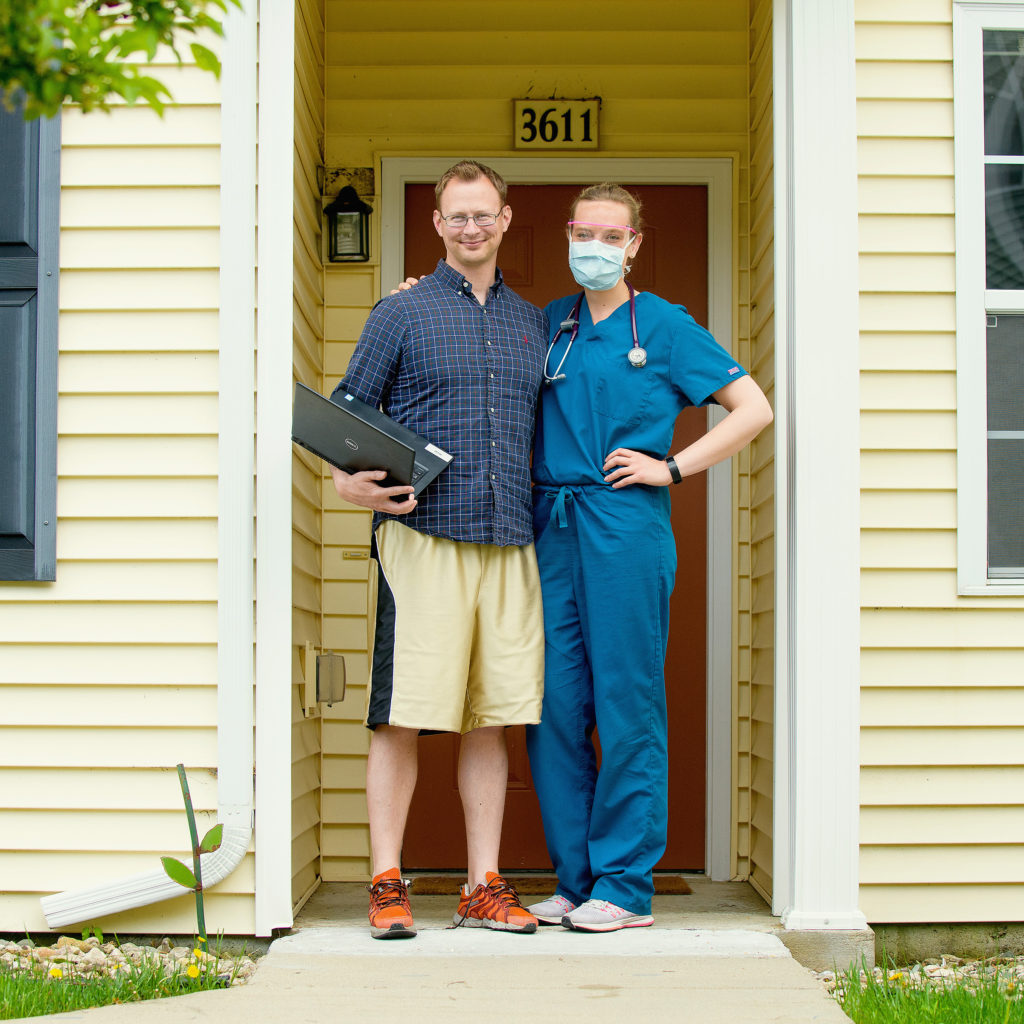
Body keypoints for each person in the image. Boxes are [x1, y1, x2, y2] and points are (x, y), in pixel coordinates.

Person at [523, 184, 773, 933]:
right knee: (553, 708)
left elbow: (753, 409)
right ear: (568, 235)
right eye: (583, 231)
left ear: (633, 244)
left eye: (611, 234)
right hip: (551, 526)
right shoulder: (551, 325)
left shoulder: (662, 326)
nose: (593, 245)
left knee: (626, 702)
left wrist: (673, 468)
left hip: (624, 527)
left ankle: (626, 888)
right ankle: (577, 880)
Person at [330, 160, 547, 940]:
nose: (472, 228)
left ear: (506, 219)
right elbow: (348, 410)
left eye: (484, 215)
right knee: (401, 716)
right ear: (437, 225)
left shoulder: (533, 322)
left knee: (492, 718)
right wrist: (348, 483)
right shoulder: (403, 313)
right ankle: (387, 882)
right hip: (421, 539)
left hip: (509, 540)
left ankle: (481, 885)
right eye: (457, 217)